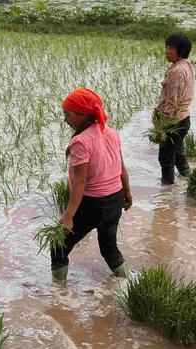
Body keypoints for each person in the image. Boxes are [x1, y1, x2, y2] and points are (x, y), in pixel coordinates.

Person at [51, 87, 133, 281]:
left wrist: (68, 216)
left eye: (67, 114)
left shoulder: (81, 141)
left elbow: (80, 181)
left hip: (93, 204)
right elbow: (121, 166)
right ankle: (127, 283)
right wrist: (127, 195)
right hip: (114, 200)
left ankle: (57, 296)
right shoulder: (111, 132)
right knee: (109, 248)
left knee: (58, 247)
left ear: (83, 115)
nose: (65, 119)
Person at [155, 34, 195, 185]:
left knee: (165, 158)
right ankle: (188, 178)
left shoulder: (177, 72)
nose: (166, 51)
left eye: (171, 48)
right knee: (177, 153)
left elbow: (172, 103)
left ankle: (167, 193)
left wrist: (162, 129)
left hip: (173, 122)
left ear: (181, 51)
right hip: (183, 119)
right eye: (166, 47)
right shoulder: (186, 64)